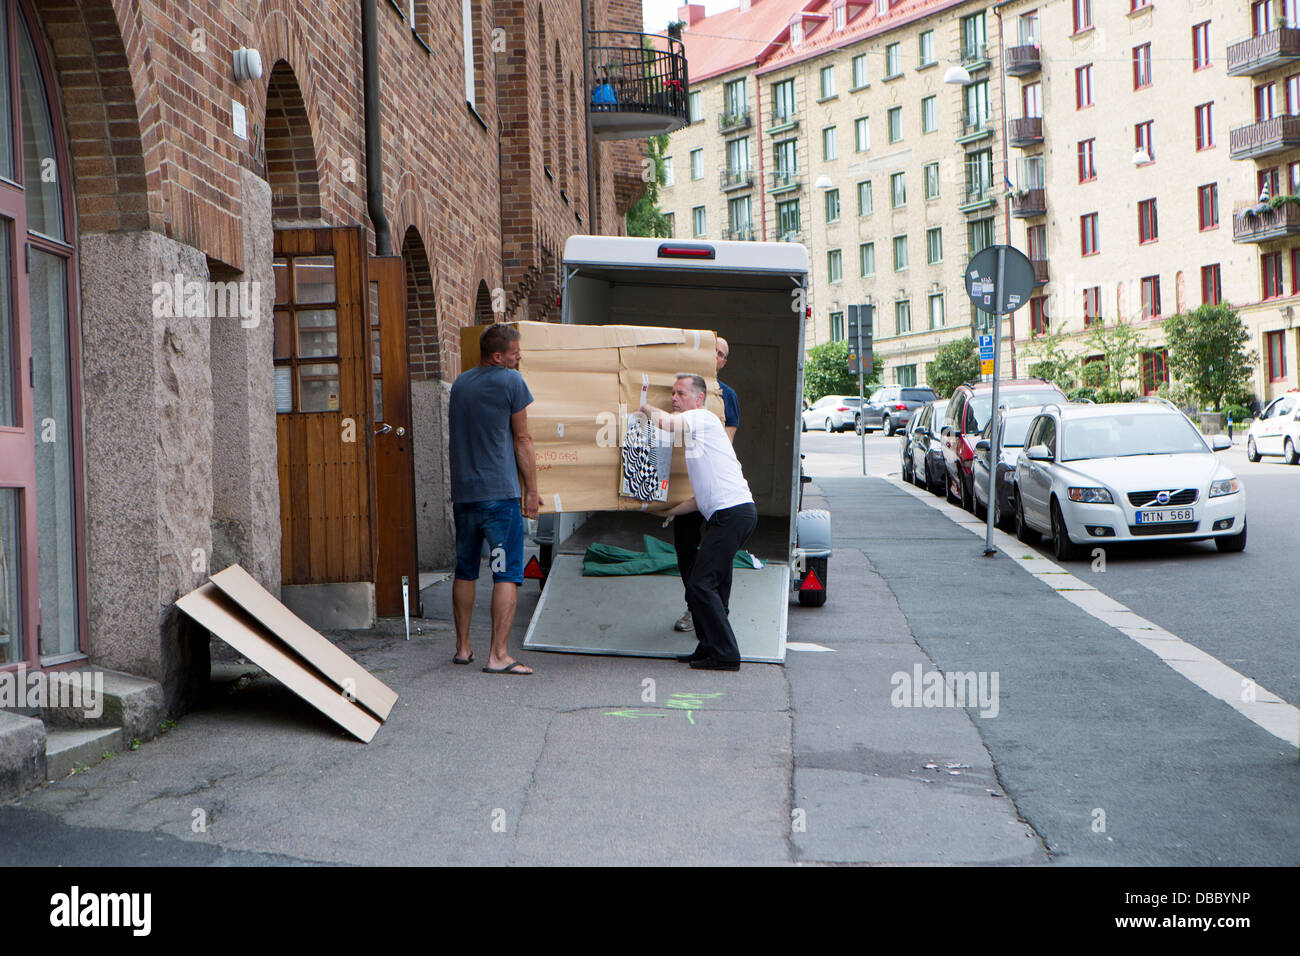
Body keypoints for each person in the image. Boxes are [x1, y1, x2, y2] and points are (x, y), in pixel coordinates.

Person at [641, 374, 756, 671]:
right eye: (672, 394)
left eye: (680, 393)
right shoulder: (697, 439)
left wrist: (642, 405)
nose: (674, 399)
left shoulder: (704, 419)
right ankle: (707, 648)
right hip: (727, 514)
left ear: (699, 398)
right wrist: (669, 512)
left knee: (700, 583)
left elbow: (665, 422)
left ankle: (726, 654)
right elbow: (699, 499)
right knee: (713, 586)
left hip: (733, 515)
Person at [448, 324, 541, 675]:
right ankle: (498, 656)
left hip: (464, 494)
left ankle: (463, 648)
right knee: (506, 573)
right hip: (499, 495)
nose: (520, 357)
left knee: (466, 569)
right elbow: (523, 439)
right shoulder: (511, 381)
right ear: (497, 355)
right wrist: (531, 490)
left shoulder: (460, 385)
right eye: (515, 352)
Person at [673, 336, 738, 633]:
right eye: (711, 350)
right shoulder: (681, 390)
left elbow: (725, 443)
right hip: (685, 482)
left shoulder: (726, 396)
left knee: (717, 552)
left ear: (723, 362)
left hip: (711, 486)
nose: (715, 356)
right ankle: (694, 606)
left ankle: (717, 611)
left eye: (720, 353)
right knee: (685, 546)